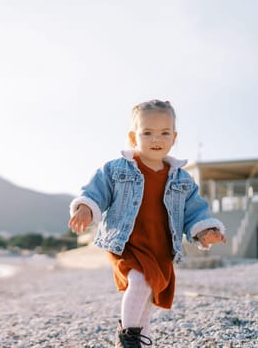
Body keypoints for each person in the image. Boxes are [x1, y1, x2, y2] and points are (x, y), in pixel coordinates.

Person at [68, 100, 227, 347]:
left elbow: (194, 210)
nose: (157, 139)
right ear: (133, 136)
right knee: (140, 282)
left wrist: (205, 229)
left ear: (174, 137)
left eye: (165, 133)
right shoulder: (116, 169)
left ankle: (139, 338)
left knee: (149, 292)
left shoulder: (182, 179)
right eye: (148, 132)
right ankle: (127, 336)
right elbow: (96, 190)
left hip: (160, 246)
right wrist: (86, 207)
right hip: (126, 242)